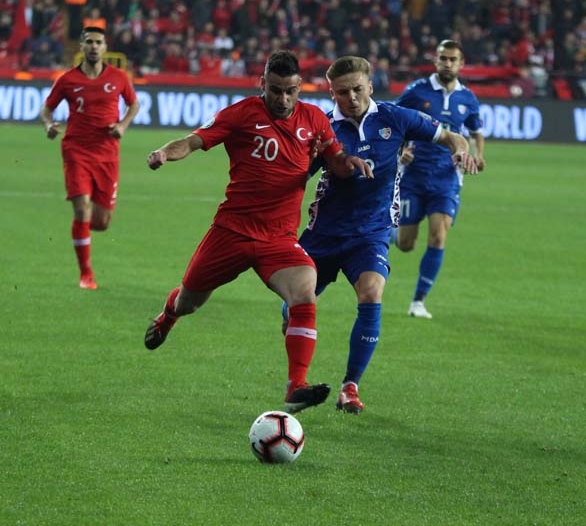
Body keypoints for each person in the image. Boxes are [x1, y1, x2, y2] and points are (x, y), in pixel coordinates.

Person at [143, 50, 373, 414]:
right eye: (276, 90)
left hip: (278, 238)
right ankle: (168, 315)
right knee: (190, 301)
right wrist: (164, 153)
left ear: (300, 87)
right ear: (262, 84)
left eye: (291, 91)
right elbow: (193, 140)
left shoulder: (314, 119)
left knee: (304, 292)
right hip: (231, 232)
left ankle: (296, 386)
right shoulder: (241, 114)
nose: (283, 100)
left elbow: (336, 160)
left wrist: (352, 164)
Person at [281, 56, 478, 413]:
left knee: (372, 293)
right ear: (332, 93)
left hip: (371, 231)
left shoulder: (395, 117)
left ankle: (350, 386)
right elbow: (294, 180)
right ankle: (297, 365)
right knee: (295, 304)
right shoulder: (321, 128)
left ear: (370, 86)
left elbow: (452, 137)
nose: (352, 97)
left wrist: (463, 153)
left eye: (358, 89)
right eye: (343, 92)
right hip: (324, 232)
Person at [40, 26, 140, 290]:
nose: (94, 46)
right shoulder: (67, 80)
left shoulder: (118, 77)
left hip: (107, 153)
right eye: (89, 42)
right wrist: (49, 126)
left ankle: (81, 230)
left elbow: (134, 104)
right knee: (81, 207)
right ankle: (86, 274)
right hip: (76, 150)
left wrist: (122, 126)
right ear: (81, 47)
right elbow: (47, 109)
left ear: (105, 47)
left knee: (102, 222)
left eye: (98, 42)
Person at [394, 39, 486, 319]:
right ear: (435, 61)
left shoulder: (467, 98)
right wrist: (402, 150)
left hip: (446, 178)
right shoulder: (416, 92)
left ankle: (418, 301)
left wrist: (479, 155)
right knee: (406, 244)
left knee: (438, 235)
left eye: (452, 59)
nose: (447, 63)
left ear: (461, 64)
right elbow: (395, 122)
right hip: (414, 176)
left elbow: (476, 130)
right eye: (443, 58)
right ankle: (390, 232)